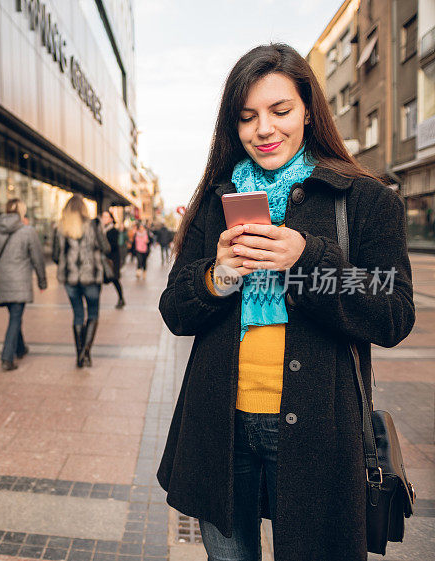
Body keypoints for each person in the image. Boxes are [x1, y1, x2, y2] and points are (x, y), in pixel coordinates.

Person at [156, 43, 415, 561]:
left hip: (320, 433)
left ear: (308, 111)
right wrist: (219, 275)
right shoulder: (218, 196)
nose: (265, 129)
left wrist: (307, 260)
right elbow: (175, 311)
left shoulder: (364, 198)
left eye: (281, 111)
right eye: (248, 117)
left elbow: (392, 310)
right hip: (220, 424)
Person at [0, 199, 47, 371]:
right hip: (20, 281)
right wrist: (42, 281)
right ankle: (7, 357)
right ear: (21, 212)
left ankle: (20, 348)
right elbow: (38, 259)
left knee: (15, 316)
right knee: (15, 317)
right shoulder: (28, 231)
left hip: (2, 283)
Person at [52, 195, 110, 367]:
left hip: (70, 279)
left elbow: (55, 256)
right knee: (92, 314)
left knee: (78, 315)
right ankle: (86, 353)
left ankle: (79, 355)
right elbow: (106, 247)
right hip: (91, 277)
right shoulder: (93, 225)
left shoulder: (60, 227)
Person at [100, 210, 125, 308]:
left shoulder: (113, 231)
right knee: (99, 280)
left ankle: (121, 299)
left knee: (115, 280)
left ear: (111, 219)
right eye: (103, 217)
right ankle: (93, 300)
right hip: (103, 259)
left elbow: (113, 246)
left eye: (106, 217)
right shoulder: (100, 230)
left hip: (112, 260)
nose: (104, 219)